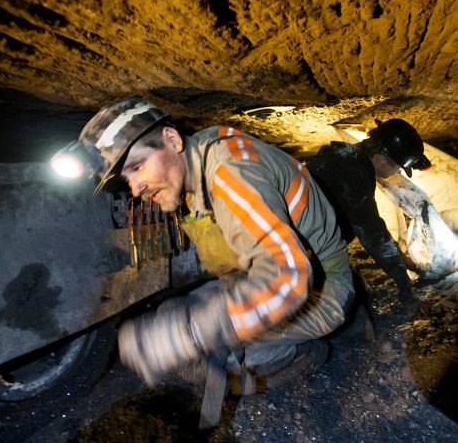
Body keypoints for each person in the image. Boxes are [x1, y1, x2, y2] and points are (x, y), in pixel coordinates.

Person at [67, 96, 355, 426]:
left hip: (324, 286)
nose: (135, 187)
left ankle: (300, 356)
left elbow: (289, 275)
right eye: (126, 179)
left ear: (172, 140)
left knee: (210, 350)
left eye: (138, 167)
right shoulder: (193, 172)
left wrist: (193, 333)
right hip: (259, 277)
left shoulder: (230, 171)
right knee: (176, 319)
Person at [306, 119, 432, 308]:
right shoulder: (351, 174)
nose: (397, 172)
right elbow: (374, 234)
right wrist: (403, 282)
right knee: (353, 305)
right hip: (298, 252)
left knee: (357, 289)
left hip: (307, 242)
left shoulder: (344, 158)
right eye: (397, 167)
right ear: (380, 159)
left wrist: (401, 257)